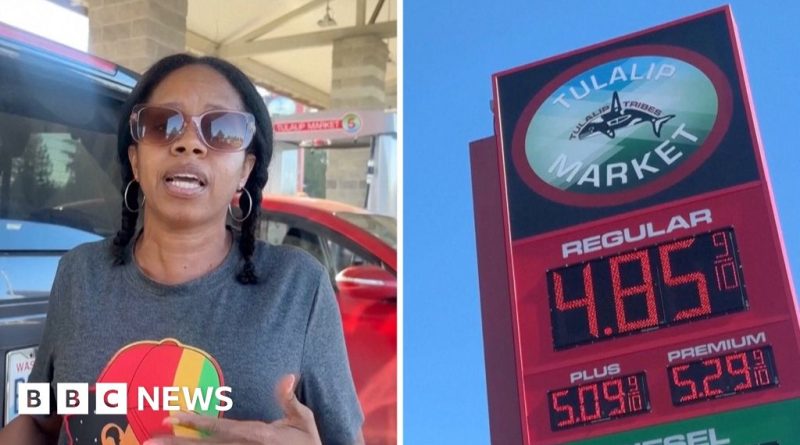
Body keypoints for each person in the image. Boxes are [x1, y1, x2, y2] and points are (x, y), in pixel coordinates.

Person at [0, 54, 364, 445]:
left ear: (245, 169)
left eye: (221, 130)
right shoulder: (79, 273)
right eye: (163, 125)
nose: (189, 143)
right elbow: (41, 422)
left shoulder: (297, 288)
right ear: (135, 160)